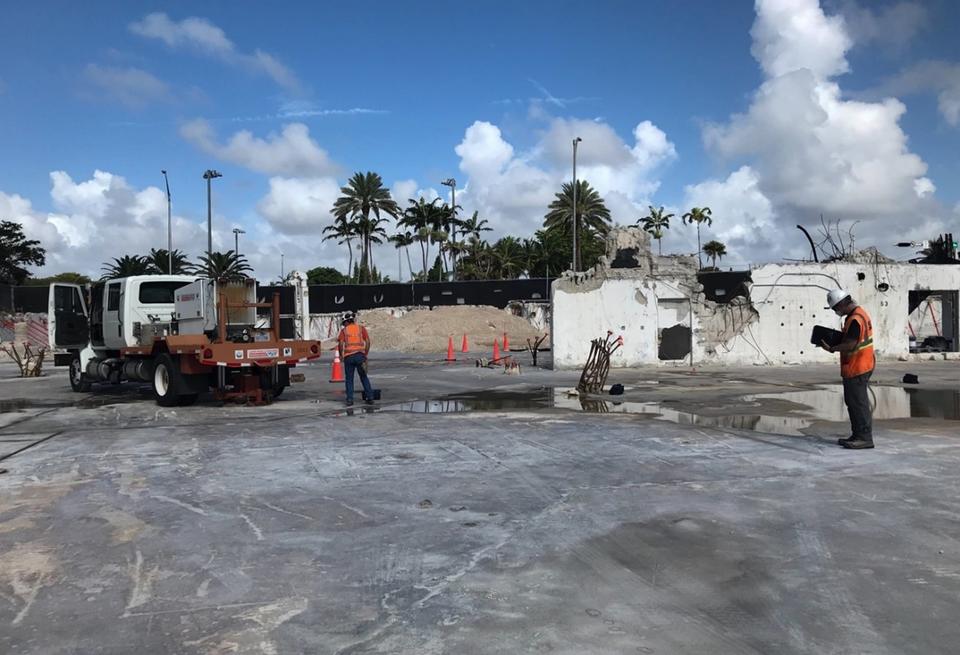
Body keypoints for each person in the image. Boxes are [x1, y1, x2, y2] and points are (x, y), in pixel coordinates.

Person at [818, 289, 875, 449]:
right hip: (860, 364)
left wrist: (831, 348)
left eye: (836, 308)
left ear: (843, 304)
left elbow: (851, 344)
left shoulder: (855, 318)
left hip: (858, 366)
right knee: (854, 402)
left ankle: (864, 438)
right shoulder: (858, 314)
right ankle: (857, 434)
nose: (836, 311)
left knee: (858, 403)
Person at [337, 311, 374, 406]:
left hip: (348, 357)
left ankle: (350, 400)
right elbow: (368, 342)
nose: (343, 325)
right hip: (360, 356)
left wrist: (341, 355)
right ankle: (370, 398)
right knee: (364, 377)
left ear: (346, 322)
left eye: (344, 323)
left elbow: (341, 344)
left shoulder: (344, 331)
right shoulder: (361, 329)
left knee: (349, 379)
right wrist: (365, 354)